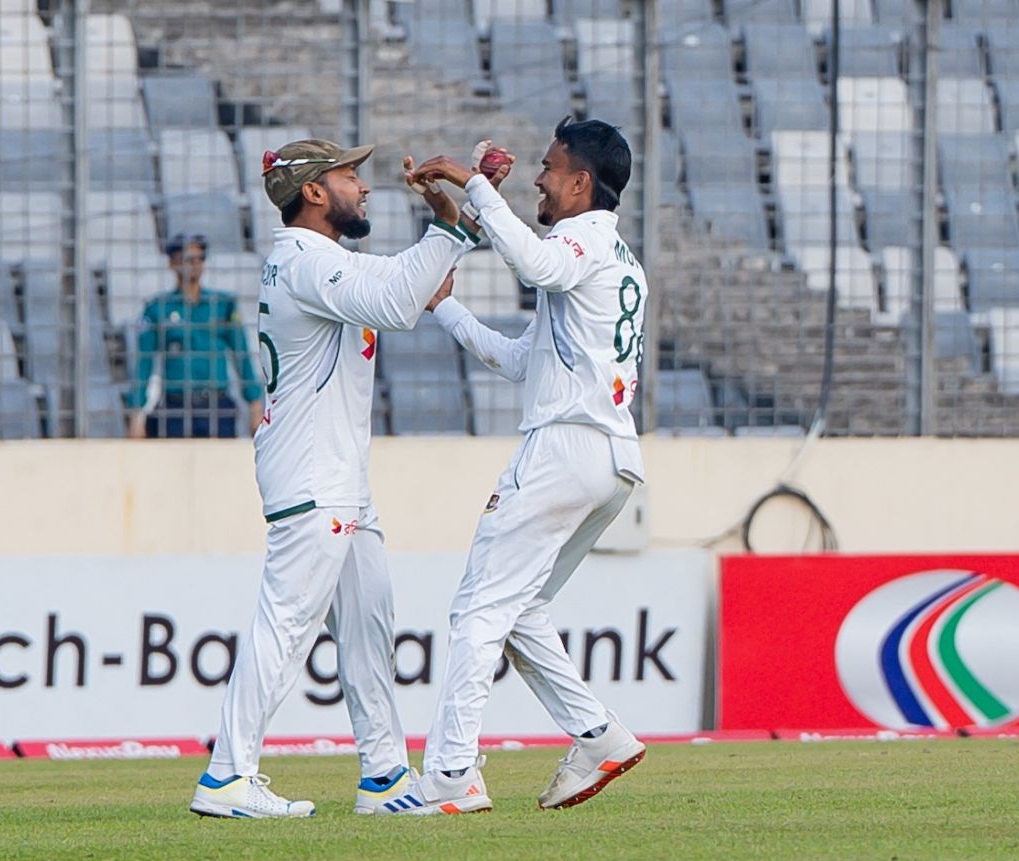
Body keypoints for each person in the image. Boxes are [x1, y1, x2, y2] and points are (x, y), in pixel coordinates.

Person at [189, 138, 479, 819]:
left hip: (341, 473)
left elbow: (408, 284)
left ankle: (383, 775)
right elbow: (402, 299)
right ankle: (227, 774)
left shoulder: (322, 260)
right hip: (313, 473)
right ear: (314, 192)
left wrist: (448, 225)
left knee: (369, 625)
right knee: (286, 624)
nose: (365, 186)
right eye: (351, 175)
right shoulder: (304, 260)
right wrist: (451, 220)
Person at [388, 119, 649, 815]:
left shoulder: (581, 241)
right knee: (520, 607)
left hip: (564, 448)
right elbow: (519, 360)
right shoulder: (617, 260)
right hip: (611, 459)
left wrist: (470, 180)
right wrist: (446, 308)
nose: (537, 177)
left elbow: (537, 263)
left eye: (548, 166)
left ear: (580, 182)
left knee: (478, 606)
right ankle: (599, 734)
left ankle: (450, 776)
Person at [127, 234, 264, 439]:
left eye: (200, 259)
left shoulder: (222, 305)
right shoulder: (158, 309)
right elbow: (144, 363)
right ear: (172, 263)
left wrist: (254, 404)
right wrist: (137, 415)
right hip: (175, 406)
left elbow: (241, 355)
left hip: (217, 405)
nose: (196, 265)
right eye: (188, 259)